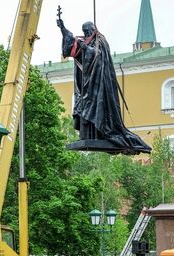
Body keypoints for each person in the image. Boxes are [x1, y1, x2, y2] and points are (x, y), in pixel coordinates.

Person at [57, 15, 151, 154]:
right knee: (83, 107)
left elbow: (99, 56)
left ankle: (97, 135)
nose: (86, 33)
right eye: (84, 31)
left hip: (98, 84)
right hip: (86, 84)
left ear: (93, 29)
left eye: (88, 30)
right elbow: (72, 46)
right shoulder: (86, 41)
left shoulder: (100, 41)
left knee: (95, 108)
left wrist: (86, 49)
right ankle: (87, 135)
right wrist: (63, 29)